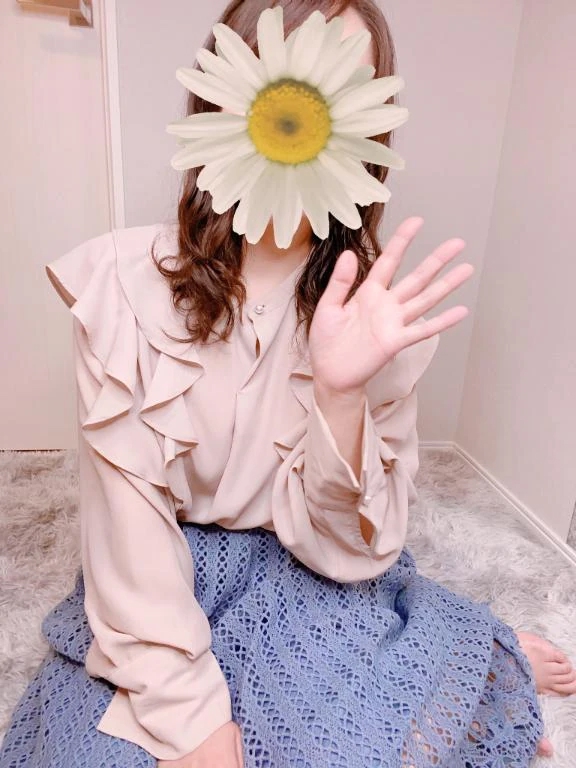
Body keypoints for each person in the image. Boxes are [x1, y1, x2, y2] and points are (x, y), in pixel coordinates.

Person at [1, 1, 575, 766]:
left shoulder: (376, 313)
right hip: (159, 578)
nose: (316, 96)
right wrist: (197, 727)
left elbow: (354, 550)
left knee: (387, 739)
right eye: (298, 63)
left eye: (348, 80)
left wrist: (340, 394)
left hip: (308, 570)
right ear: (228, 87)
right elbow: (127, 539)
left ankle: (468, 650)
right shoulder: (120, 284)